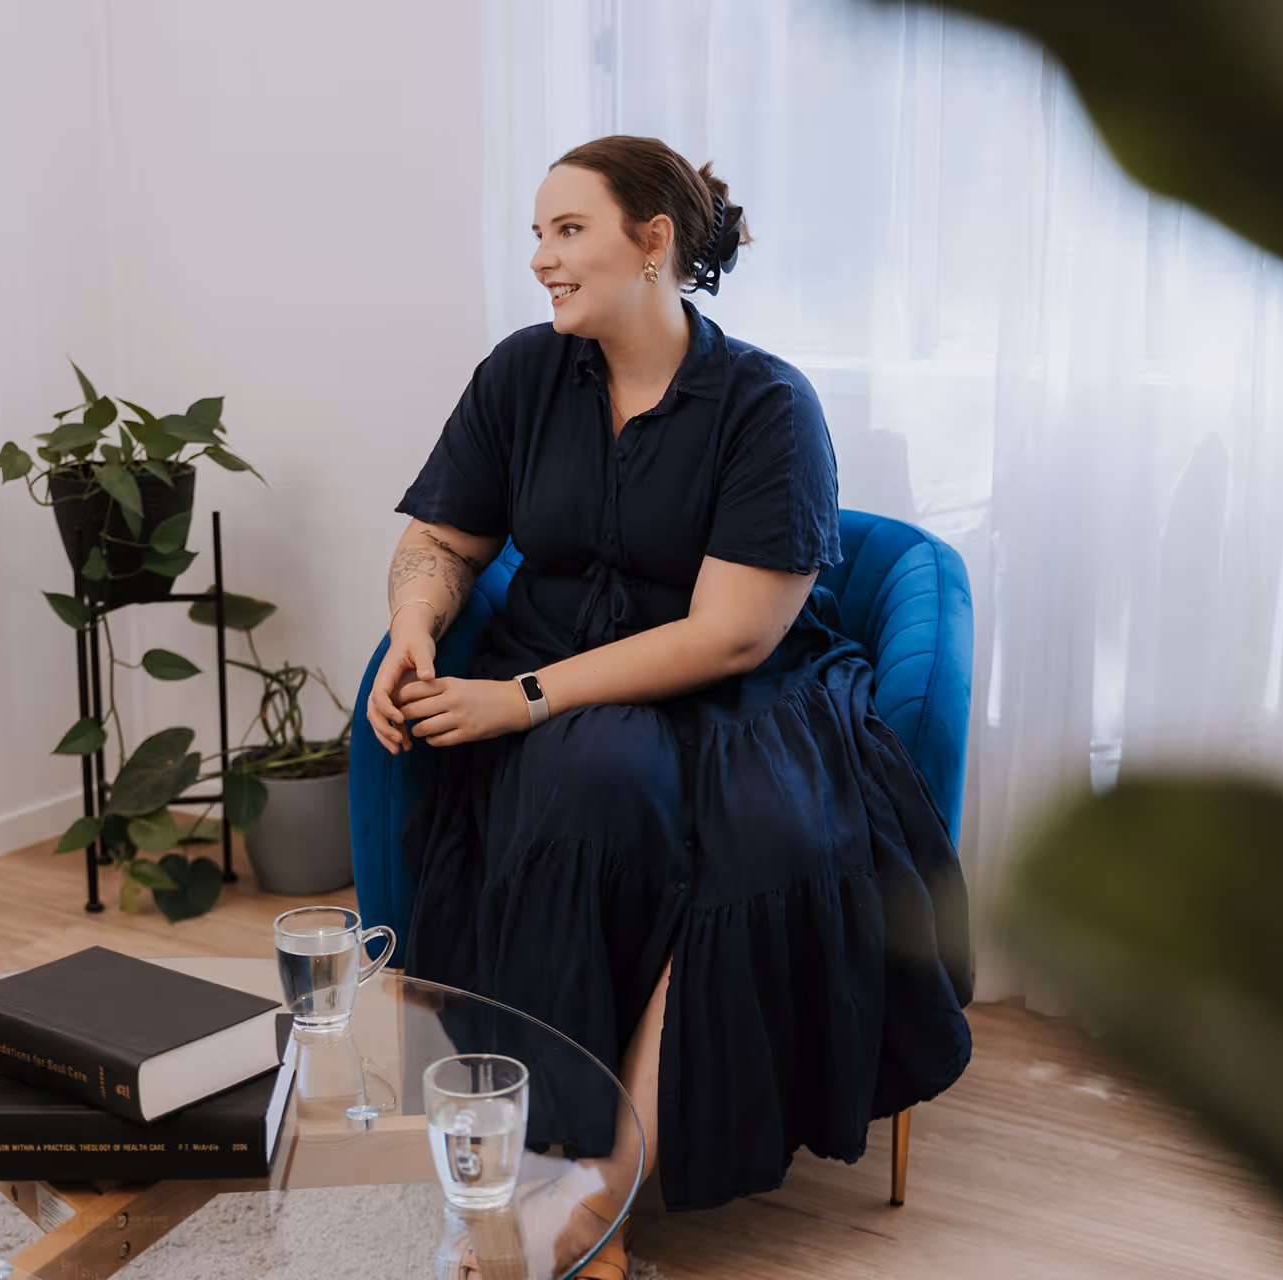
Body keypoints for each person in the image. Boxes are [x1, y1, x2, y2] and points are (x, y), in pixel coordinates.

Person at [365, 136, 972, 1278]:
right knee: (594, 783)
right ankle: (562, 1149)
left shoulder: (767, 405)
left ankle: (602, 1180)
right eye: (537, 233)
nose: (541, 258)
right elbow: (440, 540)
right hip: (559, 687)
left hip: (742, 691)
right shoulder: (520, 373)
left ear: (654, 245)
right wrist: (414, 622)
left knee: (761, 832)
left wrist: (521, 699)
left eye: (567, 230)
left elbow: (730, 632)